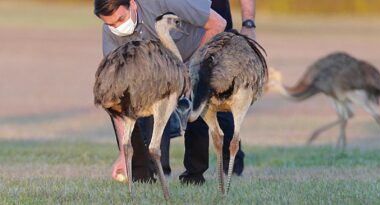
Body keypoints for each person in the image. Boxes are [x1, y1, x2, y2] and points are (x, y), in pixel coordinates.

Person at [94, 0, 226, 183]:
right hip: (157, 69)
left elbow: (218, 24)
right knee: (125, 101)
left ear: (132, 4)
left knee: (196, 106)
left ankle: (195, 175)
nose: (117, 27)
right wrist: (124, 154)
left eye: (120, 19)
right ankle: (142, 175)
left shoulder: (164, 2)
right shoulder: (110, 34)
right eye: (110, 24)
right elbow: (117, 98)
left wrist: (190, 70)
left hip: (195, 53)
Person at [179, 0, 257, 185]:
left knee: (221, 96)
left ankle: (232, 167)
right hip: (183, 31)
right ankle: (193, 173)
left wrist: (248, 22)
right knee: (193, 99)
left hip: (219, 31)